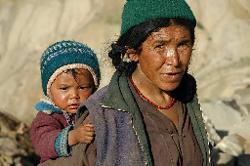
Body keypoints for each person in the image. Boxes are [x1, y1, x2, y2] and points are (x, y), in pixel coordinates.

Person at [40, 0, 213, 165]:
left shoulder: (187, 98)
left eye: (183, 45)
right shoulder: (104, 117)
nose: (174, 60)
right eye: (160, 46)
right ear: (132, 52)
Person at [29, 40, 101, 163]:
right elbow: (43, 144)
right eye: (64, 88)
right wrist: (72, 136)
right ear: (49, 91)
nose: (74, 95)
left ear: (94, 88)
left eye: (83, 87)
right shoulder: (47, 117)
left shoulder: (96, 110)